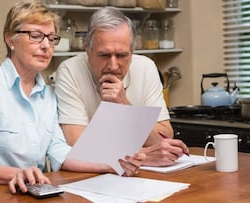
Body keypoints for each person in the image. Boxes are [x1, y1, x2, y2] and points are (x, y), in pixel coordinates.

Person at [0, 1, 144, 195]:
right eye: (36, 36)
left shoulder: (49, 95)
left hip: (31, 195)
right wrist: (16, 174)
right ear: (10, 39)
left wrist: (111, 164)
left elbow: (59, 151)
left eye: (51, 39)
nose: (45, 46)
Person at [55, 7, 189, 167]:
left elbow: (164, 138)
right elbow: (76, 144)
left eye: (122, 55)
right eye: (104, 55)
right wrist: (142, 155)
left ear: (132, 52)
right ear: (87, 50)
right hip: (91, 177)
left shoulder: (146, 67)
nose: (113, 65)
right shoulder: (70, 71)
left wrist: (123, 104)